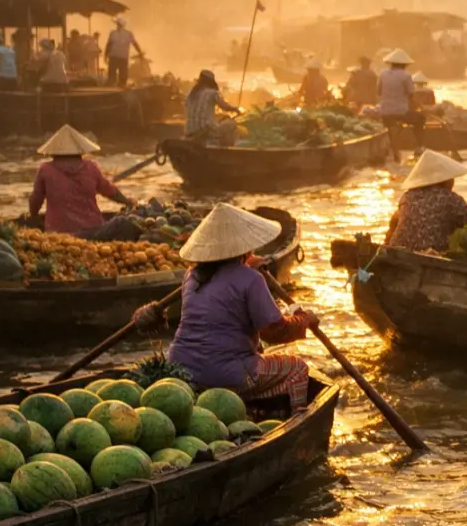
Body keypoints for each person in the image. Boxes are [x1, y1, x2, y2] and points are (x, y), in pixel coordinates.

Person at [136, 204, 318, 411]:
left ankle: (240, 408)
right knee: (298, 369)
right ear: (244, 247)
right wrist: (304, 320)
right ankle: (297, 418)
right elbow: (275, 332)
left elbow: (226, 282)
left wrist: (248, 265)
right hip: (226, 375)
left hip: (181, 369)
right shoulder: (251, 279)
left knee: (255, 351)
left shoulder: (192, 275)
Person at [28, 125, 135, 239]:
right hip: (93, 231)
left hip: (58, 235)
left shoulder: (46, 170)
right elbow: (110, 191)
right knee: (122, 223)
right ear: (80, 151)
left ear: (53, 152)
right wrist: (127, 202)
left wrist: (33, 216)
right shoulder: (91, 167)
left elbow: (35, 201)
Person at [383, 150, 467, 252]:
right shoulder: (451, 198)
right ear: (443, 181)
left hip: (398, 252)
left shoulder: (406, 197)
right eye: (450, 179)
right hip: (433, 255)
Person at [378, 48, 425, 157]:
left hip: (385, 112)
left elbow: (379, 92)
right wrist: (419, 107)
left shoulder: (383, 74)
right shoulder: (406, 76)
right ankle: (419, 147)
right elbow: (411, 95)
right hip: (401, 112)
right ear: (404, 65)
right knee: (420, 119)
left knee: (391, 123)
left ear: (391, 64)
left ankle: (394, 145)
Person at [185, 70, 241, 145]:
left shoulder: (191, 94)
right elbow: (225, 107)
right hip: (206, 129)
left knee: (217, 123)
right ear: (211, 82)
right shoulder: (212, 93)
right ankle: (226, 149)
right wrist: (235, 109)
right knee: (231, 124)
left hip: (189, 130)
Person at [104, 16, 143, 87]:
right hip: (116, 56)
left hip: (120, 57)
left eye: (118, 24)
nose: (118, 25)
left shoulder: (126, 34)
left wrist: (140, 52)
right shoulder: (114, 33)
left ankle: (119, 86)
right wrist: (106, 55)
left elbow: (135, 44)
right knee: (114, 75)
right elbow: (109, 45)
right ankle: (114, 86)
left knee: (121, 75)